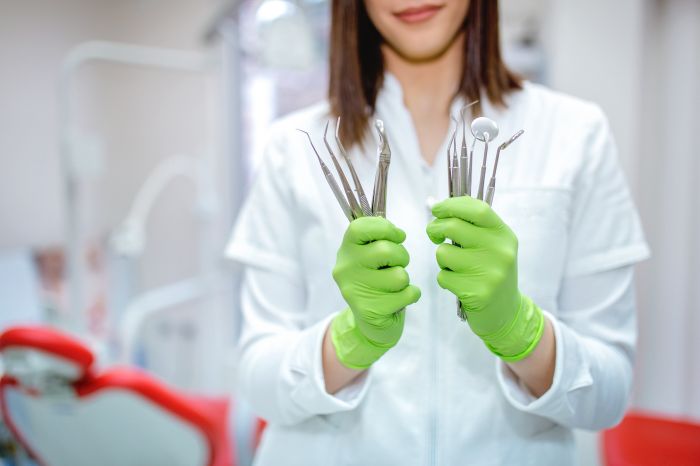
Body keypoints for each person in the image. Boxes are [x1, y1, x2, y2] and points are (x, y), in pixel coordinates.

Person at [225, 1, 650, 464]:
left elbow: (609, 393)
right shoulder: (292, 147)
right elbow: (256, 378)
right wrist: (349, 341)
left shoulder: (574, 134)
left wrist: (521, 333)